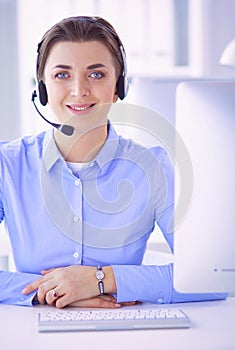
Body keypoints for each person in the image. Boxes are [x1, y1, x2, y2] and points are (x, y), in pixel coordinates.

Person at [0, 16, 227, 308]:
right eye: (62, 75)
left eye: (96, 74)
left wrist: (102, 279)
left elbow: (210, 279)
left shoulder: (154, 168)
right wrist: (55, 292)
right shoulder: (8, 165)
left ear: (119, 86)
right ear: (42, 87)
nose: (79, 90)